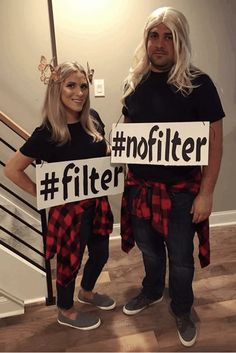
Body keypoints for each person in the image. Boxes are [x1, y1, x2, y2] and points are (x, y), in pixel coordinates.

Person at [120, 7, 224, 347]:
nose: (160, 44)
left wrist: (206, 193)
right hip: (140, 190)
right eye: (154, 35)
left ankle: (182, 308)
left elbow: (214, 142)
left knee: (180, 259)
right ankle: (151, 291)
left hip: (181, 193)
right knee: (149, 252)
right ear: (146, 40)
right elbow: (129, 132)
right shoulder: (133, 83)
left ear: (180, 41)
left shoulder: (199, 84)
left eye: (169, 36)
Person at [4, 60, 116, 330]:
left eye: (84, 86)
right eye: (71, 86)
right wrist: (42, 193)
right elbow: (12, 169)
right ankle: (65, 310)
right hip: (69, 212)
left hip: (97, 203)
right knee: (69, 262)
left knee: (100, 254)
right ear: (57, 89)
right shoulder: (47, 133)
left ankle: (87, 292)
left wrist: (111, 151)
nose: (79, 93)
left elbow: (102, 152)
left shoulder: (94, 120)